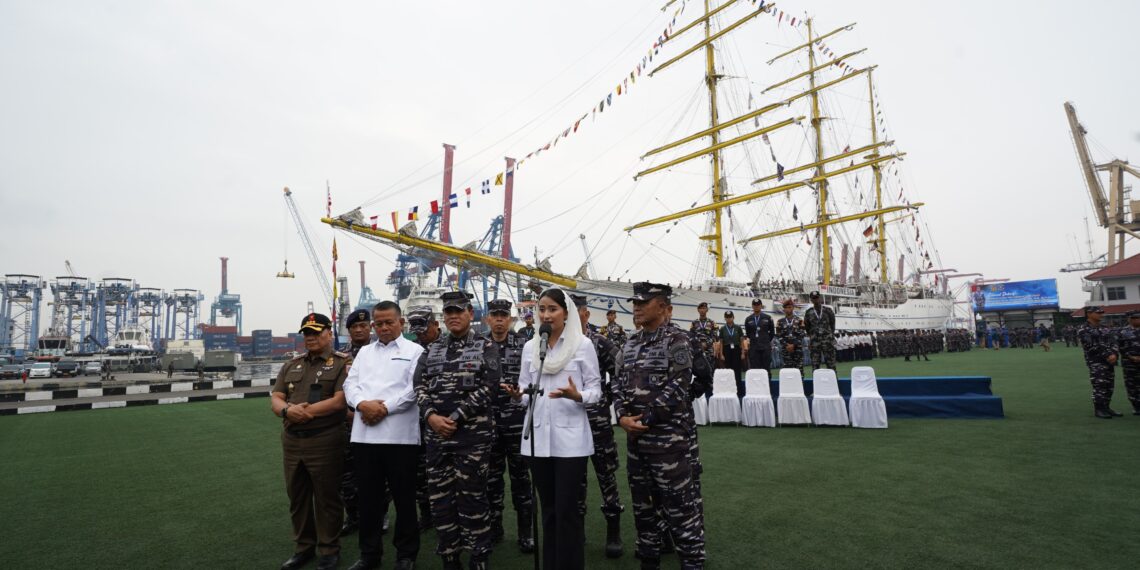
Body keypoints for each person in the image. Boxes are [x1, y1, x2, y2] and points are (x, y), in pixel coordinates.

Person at [502, 289, 601, 570]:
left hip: (570, 441)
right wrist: (516, 394)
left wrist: (577, 395)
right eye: (542, 309)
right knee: (547, 511)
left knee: (567, 510)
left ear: (566, 313)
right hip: (537, 439)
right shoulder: (531, 347)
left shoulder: (583, 346)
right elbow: (526, 393)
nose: (546, 315)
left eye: (553, 309)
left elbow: (596, 390)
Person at [612, 282, 705, 569]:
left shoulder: (677, 340)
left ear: (664, 307)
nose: (636, 307)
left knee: (681, 511)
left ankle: (692, 562)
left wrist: (644, 420)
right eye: (635, 302)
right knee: (644, 511)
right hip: (637, 444)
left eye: (644, 302)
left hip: (670, 445)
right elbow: (616, 382)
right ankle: (649, 561)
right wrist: (622, 416)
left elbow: (679, 385)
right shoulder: (630, 343)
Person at [413, 291, 500, 569]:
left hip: (472, 439)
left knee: (473, 498)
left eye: (458, 311)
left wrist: (456, 417)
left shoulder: (486, 347)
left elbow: (489, 387)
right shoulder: (432, 350)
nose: (453, 316)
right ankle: (450, 556)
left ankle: (478, 555)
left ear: (470, 314)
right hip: (437, 438)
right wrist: (431, 417)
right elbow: (419, 386)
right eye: (448, 312)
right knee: (441, 501)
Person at [343, 302, 423, 570]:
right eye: (379, 323)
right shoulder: (364, 353)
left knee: (404, 500)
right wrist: (362, 404)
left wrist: (384, 408)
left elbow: (415, 390)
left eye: (389, 322)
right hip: (365, 437)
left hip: (401, 438)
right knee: (368, 501)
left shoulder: (415, 351)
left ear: (401, 323)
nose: (384, 327)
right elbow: (349, 384)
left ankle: (406, 555)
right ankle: (369, 555)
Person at [270, 313, 351, 570]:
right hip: (293, 441)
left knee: (327, 498)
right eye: (307, 333)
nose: (311, 337)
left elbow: (340, 401)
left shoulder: (342, 363)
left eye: (316, 332)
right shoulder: (291, 365)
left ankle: (329, 550)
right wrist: (287, 411)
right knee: (297, 497)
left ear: (329, 333)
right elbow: (276, 397)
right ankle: (304, 548)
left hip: (325, 439)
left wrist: (302, 412)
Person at [571, 293, 625, 558]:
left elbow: (620, 370)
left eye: (576, 311)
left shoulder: (599, 342)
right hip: (570, 422)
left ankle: (613, 530)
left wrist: (608, 398)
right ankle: (577, 531)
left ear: (586, 314)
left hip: (598, 420)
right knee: (576, 478)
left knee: (606, 475)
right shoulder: (561, 344)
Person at [482, 299, 535, 553]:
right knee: (491, 480)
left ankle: (526, 532)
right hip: (487, 423)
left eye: (504, 315)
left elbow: (533, 378)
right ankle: (495, 528)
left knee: (521, 479)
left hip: (516, 421)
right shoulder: (480, 345)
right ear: (488, 319)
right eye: (495, 315)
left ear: (511, 319)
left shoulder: (524, 345)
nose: (500, 319)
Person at [339, 309, 377, 539]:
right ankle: (352, 516)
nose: (360, 330)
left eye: (364, 326)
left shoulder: (380, 353)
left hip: (375, 422)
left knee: (376, 475)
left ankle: (379, 515)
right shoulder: (341, 359)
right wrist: (348, 414)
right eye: (355, 327)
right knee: (347, 477)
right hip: (348, 425)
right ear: (350, 330)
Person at [1078, 306, 1121, 419]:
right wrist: (1109, 354)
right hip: (1096, 362)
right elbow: (1091, 346)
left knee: (1109, 385)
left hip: (1110, 361)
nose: (1101, 314)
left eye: (1102, 312)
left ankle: (1107, 407)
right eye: (1098, 313)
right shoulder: (1084, 329)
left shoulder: (1105, 328)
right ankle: (1099, 409)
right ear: (1089, 314)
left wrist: (1114, 354)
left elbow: (1114, 341)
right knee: (1100, 385)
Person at [803, 291, 837, 370]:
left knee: (831, 364)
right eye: (814, 298)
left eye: (817, 298)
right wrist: (812, 336)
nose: (816, 300)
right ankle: (816, 382)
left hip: (827, 341)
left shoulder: (828, 310)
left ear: (820, 298)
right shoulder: (808, 313)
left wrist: (829, 334)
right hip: (815, 342)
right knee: (815, 365)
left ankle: (834, 382)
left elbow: (832, 324)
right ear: (811, 300)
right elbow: (807, 327)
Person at [1115, 311, 1140, 416]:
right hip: (1129, 363)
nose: (1137, 320)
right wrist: (1130, 356)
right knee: (1132, 385)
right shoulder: (1122, 332)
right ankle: (1137, 407)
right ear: (1129, 319)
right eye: (1135, 318)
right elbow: (1118, 347)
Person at [716, 311, 745, 396]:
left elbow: (742, 341)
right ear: (725, 318)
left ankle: (739, 392)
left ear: (733, 317)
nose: (729, 319)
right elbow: (721, 342)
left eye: (730, 317)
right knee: (728, 371)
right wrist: (721, 354)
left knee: (737, 371)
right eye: (727, 317)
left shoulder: (738, 328)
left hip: (736, 350)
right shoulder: (722, 329)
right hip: (726, 350)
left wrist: (742, 352)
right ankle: (729, 391)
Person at [744, 298, 774, 377]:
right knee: (755, 370)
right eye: (755, 305)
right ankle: (756, 389)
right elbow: (748, 333)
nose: (756, 307)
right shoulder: (748, 319)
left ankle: (768, 388)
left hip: (765, 348)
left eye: (758, 305)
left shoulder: (768, 318)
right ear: (752, 306)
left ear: (761, 306)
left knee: (766, 369)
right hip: (754, 348)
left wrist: (765, 341)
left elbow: (772, 333)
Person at [775, 299, 805, 374]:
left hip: (797, 349)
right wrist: (786, 345)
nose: (788, 309)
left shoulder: (799, 320)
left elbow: (802, 334)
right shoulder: (780, 321)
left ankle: (800, 385)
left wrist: (794, 345)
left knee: (799, 370)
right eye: (786, 307)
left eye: (790, 307)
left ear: (793, 308)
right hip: (786, 349)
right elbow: (779, 335)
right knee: (788, 370)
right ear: (784, 309)